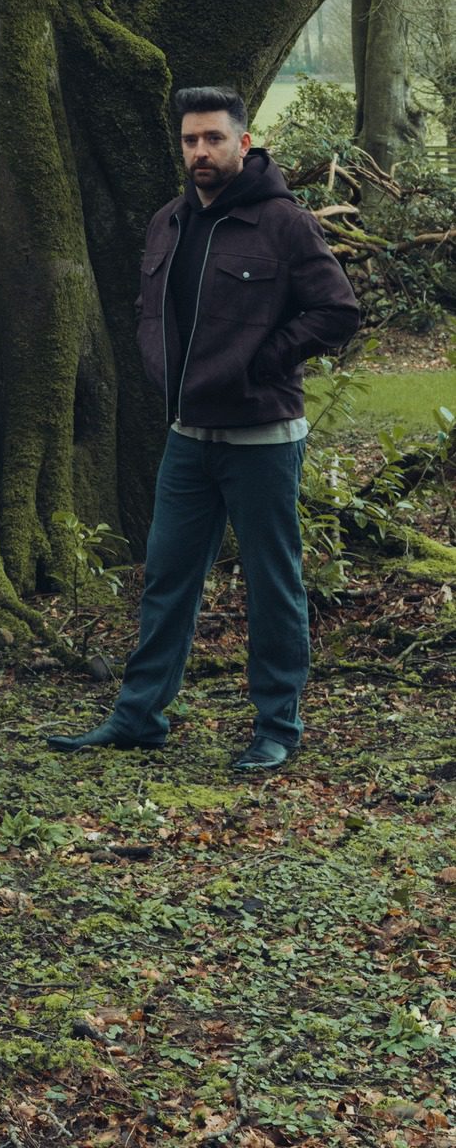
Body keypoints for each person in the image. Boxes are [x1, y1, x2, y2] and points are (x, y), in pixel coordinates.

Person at [47, 85, 359, 772]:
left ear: (242, 143)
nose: (200, 151)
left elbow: (336, 311)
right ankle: (138, 717)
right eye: (190, 140)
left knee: (271, 584)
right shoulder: (168, 221)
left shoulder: (283, 223)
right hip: (188, 438)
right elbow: (148, 308)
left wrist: (261, 360)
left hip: (261, 439)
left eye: (213, 138)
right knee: (166, 579)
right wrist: (158, 363)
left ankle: (276, 726)